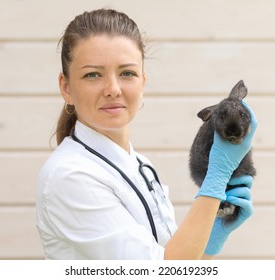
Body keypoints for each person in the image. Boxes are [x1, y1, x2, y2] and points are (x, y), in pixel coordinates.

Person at [36, 8, 257, 260]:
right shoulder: (69, 177)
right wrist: (215, 183)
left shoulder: (141, 165)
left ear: (143, 82)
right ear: (66, 88)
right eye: (93, 74)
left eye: (126, 73)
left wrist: (213, 236)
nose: (113, 89)